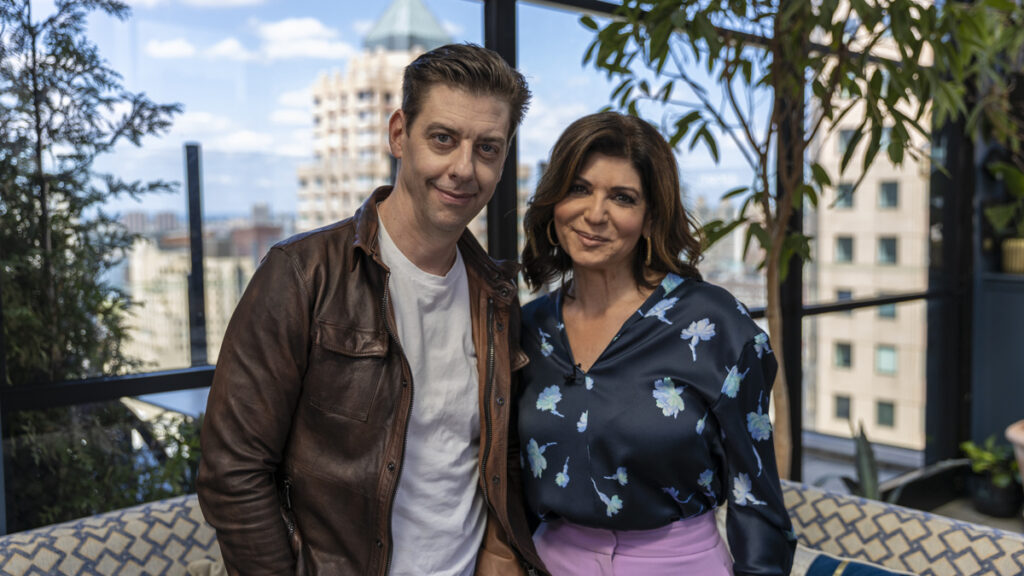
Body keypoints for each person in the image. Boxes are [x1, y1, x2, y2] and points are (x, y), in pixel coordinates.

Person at [197, 43, 547, 576]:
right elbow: (232, 470)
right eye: (443, 139)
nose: (463, 168)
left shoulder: (496, 295)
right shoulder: (301, 274)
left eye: (488, 149)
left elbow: (501, 456)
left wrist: (500, 549)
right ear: (399, 134)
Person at [517, 111, 796, 575]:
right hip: (549, 562)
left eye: (622, 198)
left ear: (650, 218)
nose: (595, 214)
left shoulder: (714, 326)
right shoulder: (529, 328)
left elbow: (757, 498)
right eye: (579, 188)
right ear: (553, 203)